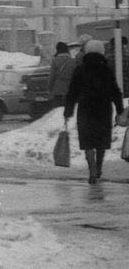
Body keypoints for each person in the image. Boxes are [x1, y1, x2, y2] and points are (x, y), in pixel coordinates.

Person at [64, 39, 125, 184]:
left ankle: (91, 168)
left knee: (88, 140)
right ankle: (98, 168)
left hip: (85, 108)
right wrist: (120, 110)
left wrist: (68, 111)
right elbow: (115, 91)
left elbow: (72, 92)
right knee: (101, 140)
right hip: (103, 108)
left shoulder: (80, 70)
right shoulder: (106, 70)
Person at [48, 41, 76, 109]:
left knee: (57, 110)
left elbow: (52, 76)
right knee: (69, 109)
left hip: (58, 90)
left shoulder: (55, 61)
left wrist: (50, 88)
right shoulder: (72, 61)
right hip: (70, 89)